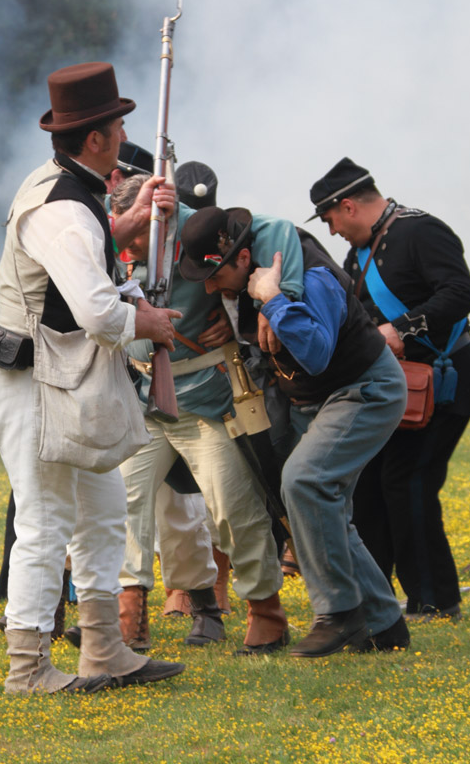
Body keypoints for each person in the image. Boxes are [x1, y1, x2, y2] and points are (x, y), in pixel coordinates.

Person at [0, 61, 185, 694]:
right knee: (43, 521)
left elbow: (87, 264)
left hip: (61, 372)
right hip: (35, 376)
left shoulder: (71, 190)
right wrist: (145, 324)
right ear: (95, 139)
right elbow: (97, 309)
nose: (124, 137)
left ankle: (103, 649)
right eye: (117, 128)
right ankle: (28, 666)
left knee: (100, 512)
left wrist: (128, 227)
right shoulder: (64, 207)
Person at [178, 206, 410, 657]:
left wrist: (274, 301)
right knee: (324, 507)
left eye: (213, 274)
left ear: (243, 259)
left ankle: (339, 614)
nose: (206, 287)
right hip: (311, 400)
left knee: (305, 482)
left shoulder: (311, 274)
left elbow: (317, 353)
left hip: (362, 388)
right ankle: (385, 625)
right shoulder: (244, 274)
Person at [307, 157, 470, 621]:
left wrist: (402, 328)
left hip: (442, 380)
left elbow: (460, 293)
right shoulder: (361, 250)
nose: (331, 232)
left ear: (347, 206)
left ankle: (435, 598)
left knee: (408, 484)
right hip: (398, 387)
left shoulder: (421, 231)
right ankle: (375, 596)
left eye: (330, 220)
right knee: (369, 487)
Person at [112, 174, 288, 655]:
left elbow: (258, 250)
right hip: (143, 398)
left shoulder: (195, 230)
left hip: (205, 396)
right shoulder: (110, 238)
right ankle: (128, 615)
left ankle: (266, 613)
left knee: (234, 508)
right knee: (119, 506)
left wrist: (240, 311)